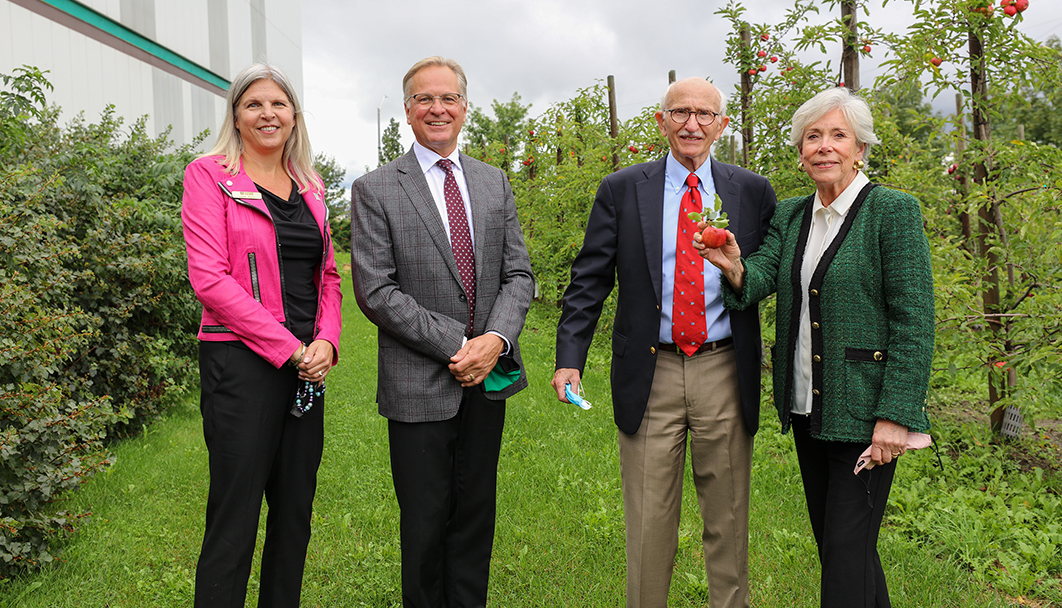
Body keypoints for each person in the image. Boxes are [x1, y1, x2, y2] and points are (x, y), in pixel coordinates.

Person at [696, 86, 934, 608]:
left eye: (838, 135)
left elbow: (915, 323)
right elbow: (760, 277)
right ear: (801, 153)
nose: (824, 146)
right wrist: (735, 264)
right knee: (844, 550)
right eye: (813, 137)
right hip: (809, 409)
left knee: (846, 554)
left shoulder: (892, 214)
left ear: (860, 149)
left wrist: (896, 415)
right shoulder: (792, 216)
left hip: (865, 412)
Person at [553, 77, 777, 608]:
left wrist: (740, 273)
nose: (691, 124)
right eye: (679, 113)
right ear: (661, 122)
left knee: (727, 518)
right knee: (649, 522)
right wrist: (569, 359)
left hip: (723, 368)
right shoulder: (622, 189)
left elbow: (767, 274)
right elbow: (590, 279)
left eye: (704, 114)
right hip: (651, 371)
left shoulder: (752, 191)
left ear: (721, 125)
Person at [350, 56, 535, 608]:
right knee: (425, 527)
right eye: (424, 99)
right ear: (407, 111)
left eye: (448, 98)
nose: (438, 108)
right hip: (419, 385)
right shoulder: (377, 188)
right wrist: (458, 344)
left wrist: (495, 341)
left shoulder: (493, 182)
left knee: (476, 519)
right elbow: (376, 291)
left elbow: (518, 274)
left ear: (464, 107)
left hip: (488, 379)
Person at [181, 63, 343, 607]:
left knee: (294, 513)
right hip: (242, 363)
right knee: (236, 515)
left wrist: (326, 341)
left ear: (294, 116)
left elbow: (327, 276)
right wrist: (288, 348)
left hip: (306, 366)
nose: (267, 114)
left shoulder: (312, 185)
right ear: (236, 115)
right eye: (254, 104)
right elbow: (209, 278)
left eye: (278, 104)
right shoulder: (208, 175)